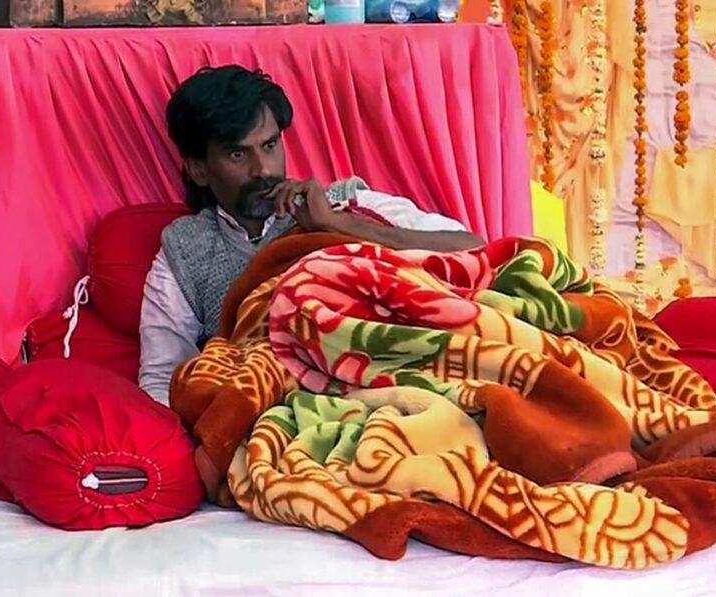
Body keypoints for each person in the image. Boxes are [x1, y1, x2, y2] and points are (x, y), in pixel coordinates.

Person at [139, 65, 484, 403]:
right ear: (198, 169)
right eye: (238, 154)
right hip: (284, 411)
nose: (263, 169)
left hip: (400, 385)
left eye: (270, 145)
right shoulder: (186, 249)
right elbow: (161, 378)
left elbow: (475, 251)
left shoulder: (346, 202)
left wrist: (338, 225)